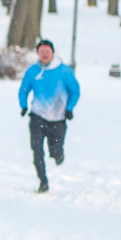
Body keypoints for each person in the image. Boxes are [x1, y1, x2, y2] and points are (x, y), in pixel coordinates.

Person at [18, 39, 80, 193]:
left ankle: (58, 155)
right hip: (37, 116)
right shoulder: (33, 71)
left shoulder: (64, 71)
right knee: (37, 150)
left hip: (58, 119)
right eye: (41, 51)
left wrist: (69, 108)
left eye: (47, 51)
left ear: (53, 52)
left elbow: (75, 91)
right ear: (38, 53)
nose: (44, 54)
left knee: (55, 151)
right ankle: (43, 181)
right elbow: (24, 89)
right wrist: (23, 105)